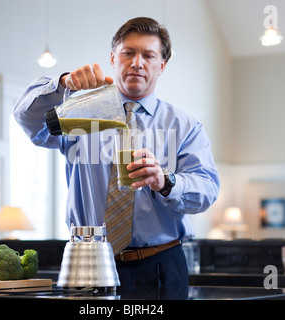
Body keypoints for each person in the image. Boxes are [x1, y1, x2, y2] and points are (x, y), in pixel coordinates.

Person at [13, 17, 220, 296]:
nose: (137, 63)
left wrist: (165, 181)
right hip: (87, 262)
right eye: (128, 53)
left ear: (162, 65)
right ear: (113, 58)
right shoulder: (78, 114)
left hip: (160, 266)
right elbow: (27, 118)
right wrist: (63, 84)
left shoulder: (184, 126)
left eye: (148, 55)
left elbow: (206, 190)